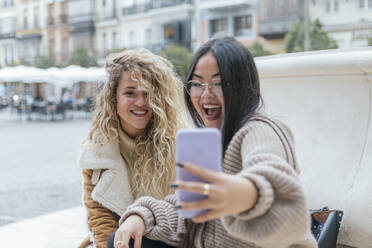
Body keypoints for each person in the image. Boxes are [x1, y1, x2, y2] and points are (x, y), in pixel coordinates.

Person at [115, 37, 318, 248]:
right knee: (124, 240)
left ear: (242, 86)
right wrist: (141, 216)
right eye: (197, 83)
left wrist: (247, 194)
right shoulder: (209, 138)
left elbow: (275, 185)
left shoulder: (261, 130)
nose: (205, 94)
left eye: (219, 83)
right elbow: (189, 210)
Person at [77, 48, 188, 248]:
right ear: (113, 97)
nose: (140, 102)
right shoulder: (97, 153)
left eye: (148, 94)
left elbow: (189, 210)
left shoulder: (180, 142)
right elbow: (101, 220)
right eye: (130, 93)